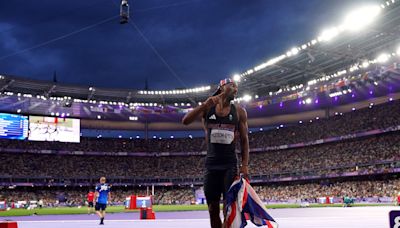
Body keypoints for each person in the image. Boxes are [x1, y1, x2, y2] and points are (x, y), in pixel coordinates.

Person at [182, 78, 249, 228]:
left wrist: (245, 165)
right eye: (232, 86)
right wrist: (205, 104)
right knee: (212, 209)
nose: (236, 89)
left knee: (228, 208)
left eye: (237, 87)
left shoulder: (239, 111)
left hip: (230, 164)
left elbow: (244, 140)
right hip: (211, 165)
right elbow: (185, 121)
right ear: (222, 88)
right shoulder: (208, 108)